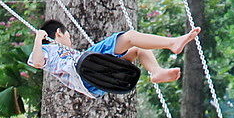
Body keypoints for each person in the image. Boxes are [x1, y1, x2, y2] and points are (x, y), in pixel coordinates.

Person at [29, 20, 201, 98]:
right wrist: (38, 38)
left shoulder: (66, 52)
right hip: (83, 70)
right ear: (59, 32)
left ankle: (156, 72)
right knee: (129, 36)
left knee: (136, 48)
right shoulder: (47, 48)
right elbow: (37, 62)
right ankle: (172, 43)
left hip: (94, 82)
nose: (70, 41)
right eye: (68, 36)